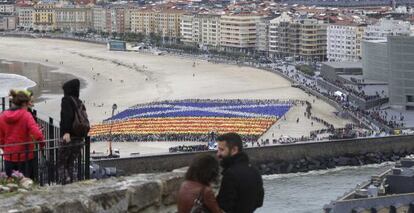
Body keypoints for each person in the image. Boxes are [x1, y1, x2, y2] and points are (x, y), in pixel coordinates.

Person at [0, 90, 44, 178]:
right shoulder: (26, 115)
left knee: (12, 183)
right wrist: (42, 145)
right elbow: (38, 134)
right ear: (24, 104)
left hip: (9, 156)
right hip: (26, 156)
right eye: (28, 105)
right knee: (28, 182)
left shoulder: (2, 116)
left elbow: (1, 138)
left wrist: (5, 149)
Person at [216, 133, 264, 213]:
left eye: (222, 150)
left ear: (234, 150)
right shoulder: (255, 171)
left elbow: (224, 206)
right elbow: (259, 202)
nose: (218, 154)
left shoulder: (229, 174)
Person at [59, 79, 87, 183]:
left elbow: (67, 116)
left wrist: (66, 132)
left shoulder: (66, 100)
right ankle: (73, 182)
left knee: (62, 162)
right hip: (79, 137)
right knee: (71, 162)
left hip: (69, 137)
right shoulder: (78, 102)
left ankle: (65, 183)